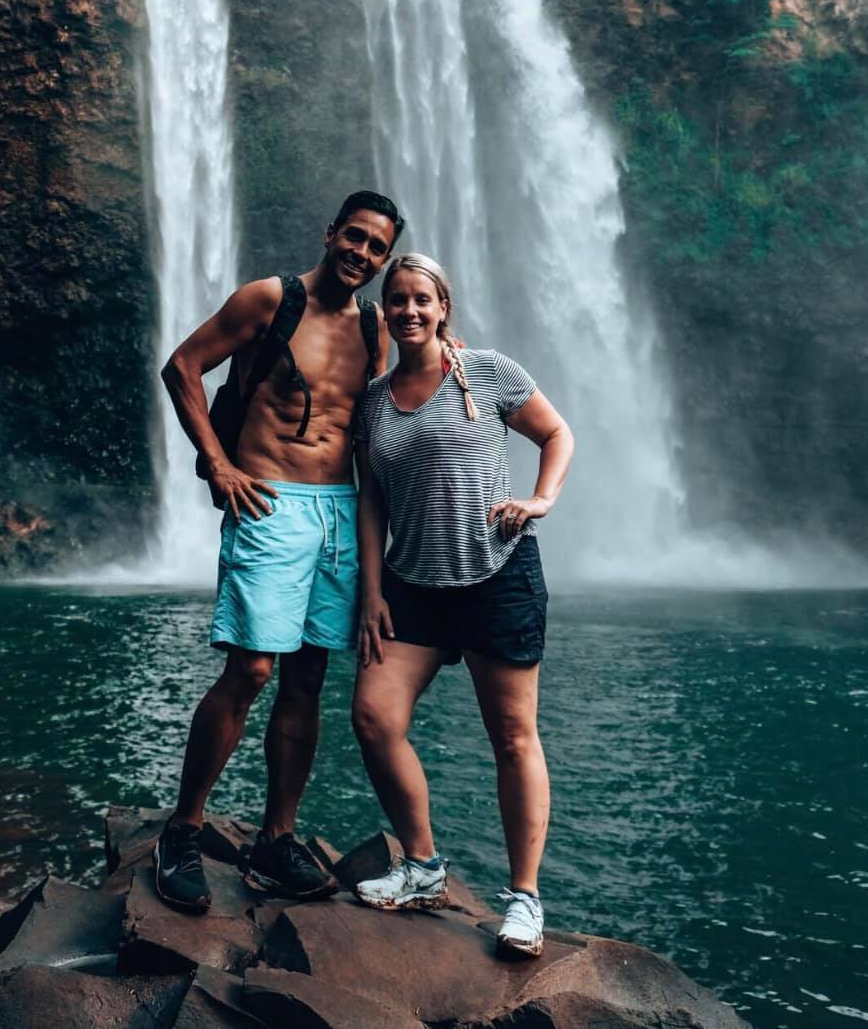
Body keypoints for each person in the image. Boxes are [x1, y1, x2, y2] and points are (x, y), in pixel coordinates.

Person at [154, 190, 403, 912]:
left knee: (306, 678)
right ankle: (183, 829)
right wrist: (218, 464)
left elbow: (373, 431)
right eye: (352, 237)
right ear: (329, 234)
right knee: (252, 668)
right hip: (267, 499)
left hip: (337, 512)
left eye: (375, 247)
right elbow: (182, 367)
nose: (360, 252)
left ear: (383, 261)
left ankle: (276, 840)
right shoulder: (269, 299)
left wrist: (379, 554)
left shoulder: (374, 326)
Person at [351, 252, 573, 958]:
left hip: (495, 573)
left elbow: (555, 432)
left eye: (422, 299)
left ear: (442, 306)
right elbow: (371, 499)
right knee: (372, 716)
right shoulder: (374, 400)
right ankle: (420, 867)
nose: (409, 310)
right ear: (383, 313)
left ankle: (525, 900)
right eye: (397, 300)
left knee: (511, 737)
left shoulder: (487, 372)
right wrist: (371, 592)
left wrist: (540, 500)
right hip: (412, 586)